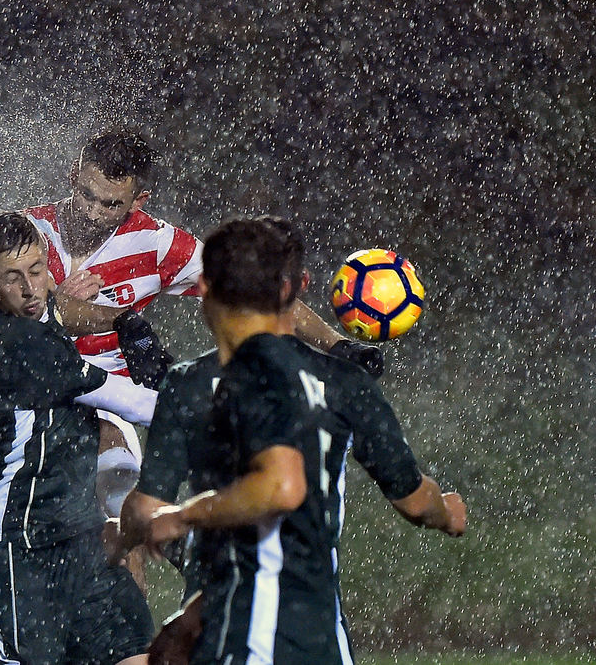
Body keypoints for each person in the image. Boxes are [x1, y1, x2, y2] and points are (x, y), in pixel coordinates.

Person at [137, 217, 467, 664]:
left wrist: (173, 523)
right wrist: (447, 511)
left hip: (241, 633)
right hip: (314, 633)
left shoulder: (192, 382)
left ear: (204, 287)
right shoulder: (344, 383)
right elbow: (413, 500)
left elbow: (155, 509)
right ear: (298, 288)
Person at [25, 128, 383, 379]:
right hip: (30, 382)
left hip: (110, 396)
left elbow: (253, 292)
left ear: (138, 202)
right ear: (73, 176)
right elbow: (11, 320)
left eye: (110, 204)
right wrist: (62, 310)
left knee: (120, 464)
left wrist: (337, 346)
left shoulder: (158, 244)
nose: (92, 213)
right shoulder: (25, 230)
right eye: (87, 195)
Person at [0, 211, 155, 665]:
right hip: (20, 550)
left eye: (37, 270)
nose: (30, 288)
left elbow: (59, 307)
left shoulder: (34, 312)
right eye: (13, 278)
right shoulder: (19, 346)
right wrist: (216, 401)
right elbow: (132, 403)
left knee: (136, 656)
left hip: (80, 539)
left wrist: (123, 321)